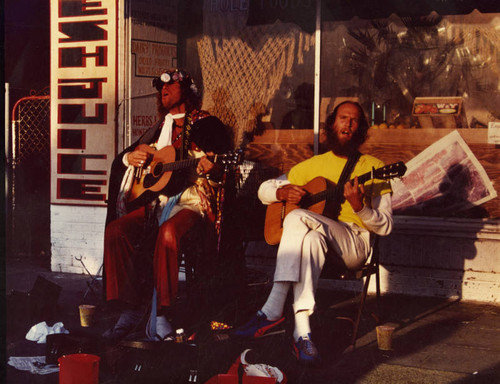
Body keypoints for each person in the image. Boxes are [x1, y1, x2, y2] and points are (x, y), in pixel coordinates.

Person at [233, 101, 393, 364]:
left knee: (296, 216)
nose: (348, 124)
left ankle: (273, 308)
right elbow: (263, 191)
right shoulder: (312, 165)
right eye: (343, 118)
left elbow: (386, 226)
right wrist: (281, 191)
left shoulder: (375, 168)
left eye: (354, 120)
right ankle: (302, 331)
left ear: (361, 129)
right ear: (331, 124)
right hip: (320, 245)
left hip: (354, 245)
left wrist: (360, 208)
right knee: (310, 238)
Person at [103, 68, 232, 342]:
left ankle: (162, 314)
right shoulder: (158, 128)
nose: (164, 90)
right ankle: (129, 307)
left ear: (186, 90)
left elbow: (221, 167)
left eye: (171, 85)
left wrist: (211, 168)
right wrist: (131, 158)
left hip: (192, 201)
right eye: (160, 87)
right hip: (156, 204)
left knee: (169, 234)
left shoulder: (206, 123)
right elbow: (125, 159)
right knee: (117, 230)